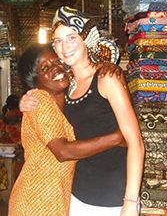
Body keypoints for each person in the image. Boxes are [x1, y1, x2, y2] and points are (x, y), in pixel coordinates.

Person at [19, 6, 145, 216]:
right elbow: (42, 104)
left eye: (71, 37)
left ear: (86, 39)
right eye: (58, 41)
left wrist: (130, 202)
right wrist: (24, 100)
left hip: (112, 197)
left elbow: (136, 143)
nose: (64, 46)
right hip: (76, 197)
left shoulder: (107, 78)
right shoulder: (64, 85)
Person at [9, 44, 125, 216]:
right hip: (35, 202)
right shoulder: (40, 100)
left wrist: (108, 66)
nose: (56, 69)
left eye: (57, 61)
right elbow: (62, 151)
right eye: (45, 68)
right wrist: (117, 137)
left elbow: (87, 72)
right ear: (35, 81)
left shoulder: (70, 98)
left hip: (58, 200)